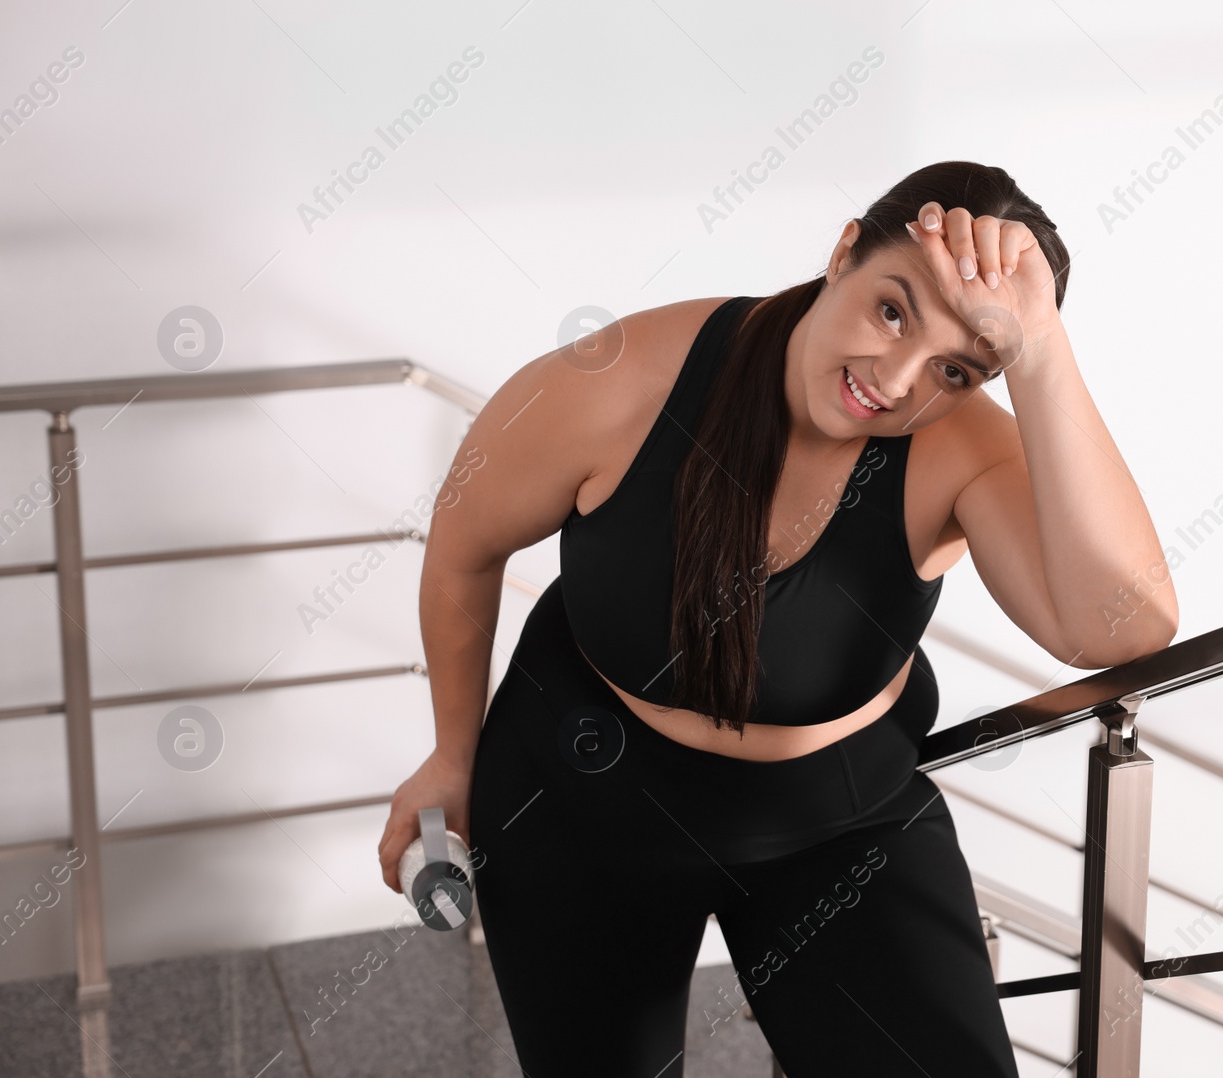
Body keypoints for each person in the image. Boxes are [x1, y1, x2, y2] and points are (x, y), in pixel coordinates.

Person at [377, 160, 1178, 1075]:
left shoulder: (959, 449)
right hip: (583, 790)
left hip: (835, 824)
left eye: (958, 366)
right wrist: (453, 753)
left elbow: (1125, 628)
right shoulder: (620, 380)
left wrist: (1041, 351)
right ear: (844, 252)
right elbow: (464, 546)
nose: (897, 380)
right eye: (893, 310)